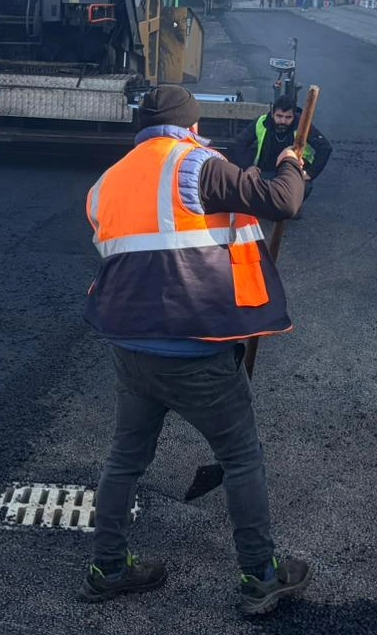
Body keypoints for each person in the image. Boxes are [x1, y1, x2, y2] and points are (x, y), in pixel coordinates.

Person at [80, 85, 314, 615]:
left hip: (131, 349)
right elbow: (284, 201)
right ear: (190, 125)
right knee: (240, 456)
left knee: (124, 459)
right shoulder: (197, 166)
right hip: (195, 351)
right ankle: (260, 575)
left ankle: (107, 568)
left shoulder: (107, 182)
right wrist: (289, 163)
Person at [231, 94, 333, 202]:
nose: (283, 121)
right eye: (279, 116)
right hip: (265, 171)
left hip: (291, 175)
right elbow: (239, 143)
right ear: (272, 113)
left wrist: (310, 173)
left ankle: (292, 205)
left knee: (305, 186)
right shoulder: (262, 122)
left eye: (288, 117)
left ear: (294, 115)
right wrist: (248, 167)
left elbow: (325, 147)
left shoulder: (302, 126)